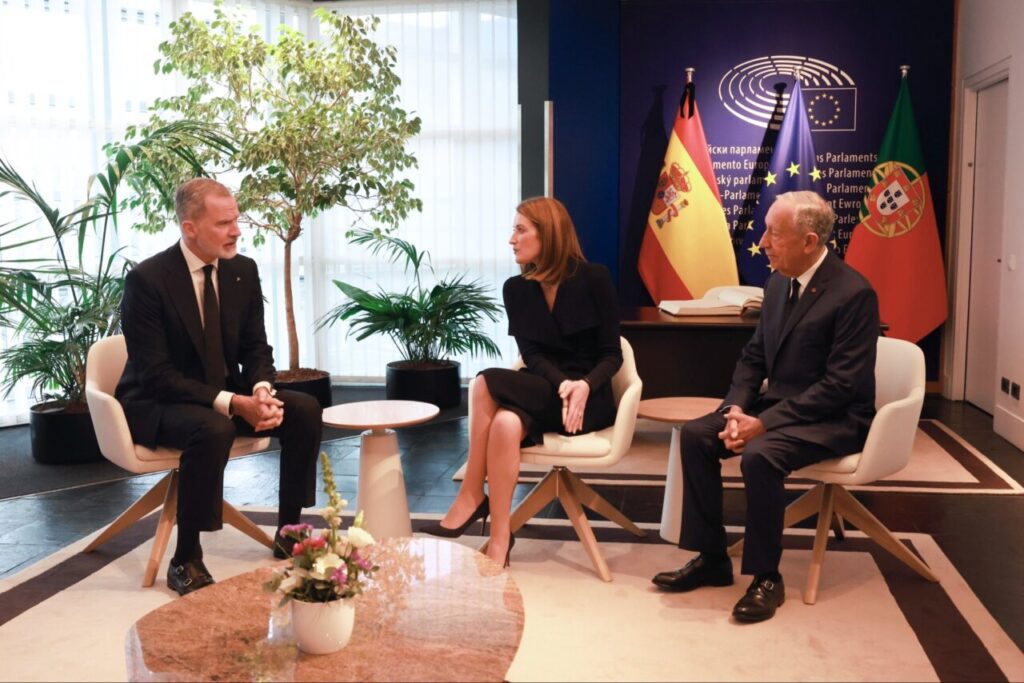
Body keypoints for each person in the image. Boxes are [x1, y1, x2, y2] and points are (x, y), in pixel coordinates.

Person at [651, 190, 879, 622]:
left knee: (760, 455)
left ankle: (766, 576)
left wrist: (764, 423)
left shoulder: (854, 294)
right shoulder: (777, 283)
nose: (764, 241)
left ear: (809, 241)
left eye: (774, 233)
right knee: (698, 435)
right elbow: (754, 357)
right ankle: (713, 557)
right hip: (778, 409)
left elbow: (840, 386)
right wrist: (735, 409)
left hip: (835, 418)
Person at [116, 178, 322, 596]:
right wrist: (233, 403)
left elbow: (255, 345)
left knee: (302, 408)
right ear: (189, 227)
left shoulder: (242, 271)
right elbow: (157, 374)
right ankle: (186, 557)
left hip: (222, 393)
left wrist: (262, 389)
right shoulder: (148, 281)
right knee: (214, 427)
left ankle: (289, 530)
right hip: (157, 402)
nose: (236, 231)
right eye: (224, 223)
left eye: (236, 220)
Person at [423, 196, 623, 567]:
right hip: (547, 387)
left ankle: (471, 494)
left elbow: (613, 355)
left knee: (484, 382)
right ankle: (500, 538)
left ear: (547, 235)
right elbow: (533, 356)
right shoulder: (516, 289)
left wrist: (581, 385)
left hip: (589, 400)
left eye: (520, 230)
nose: (511, 239)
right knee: (504, 422)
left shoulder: (593, 278)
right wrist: (561, 383)